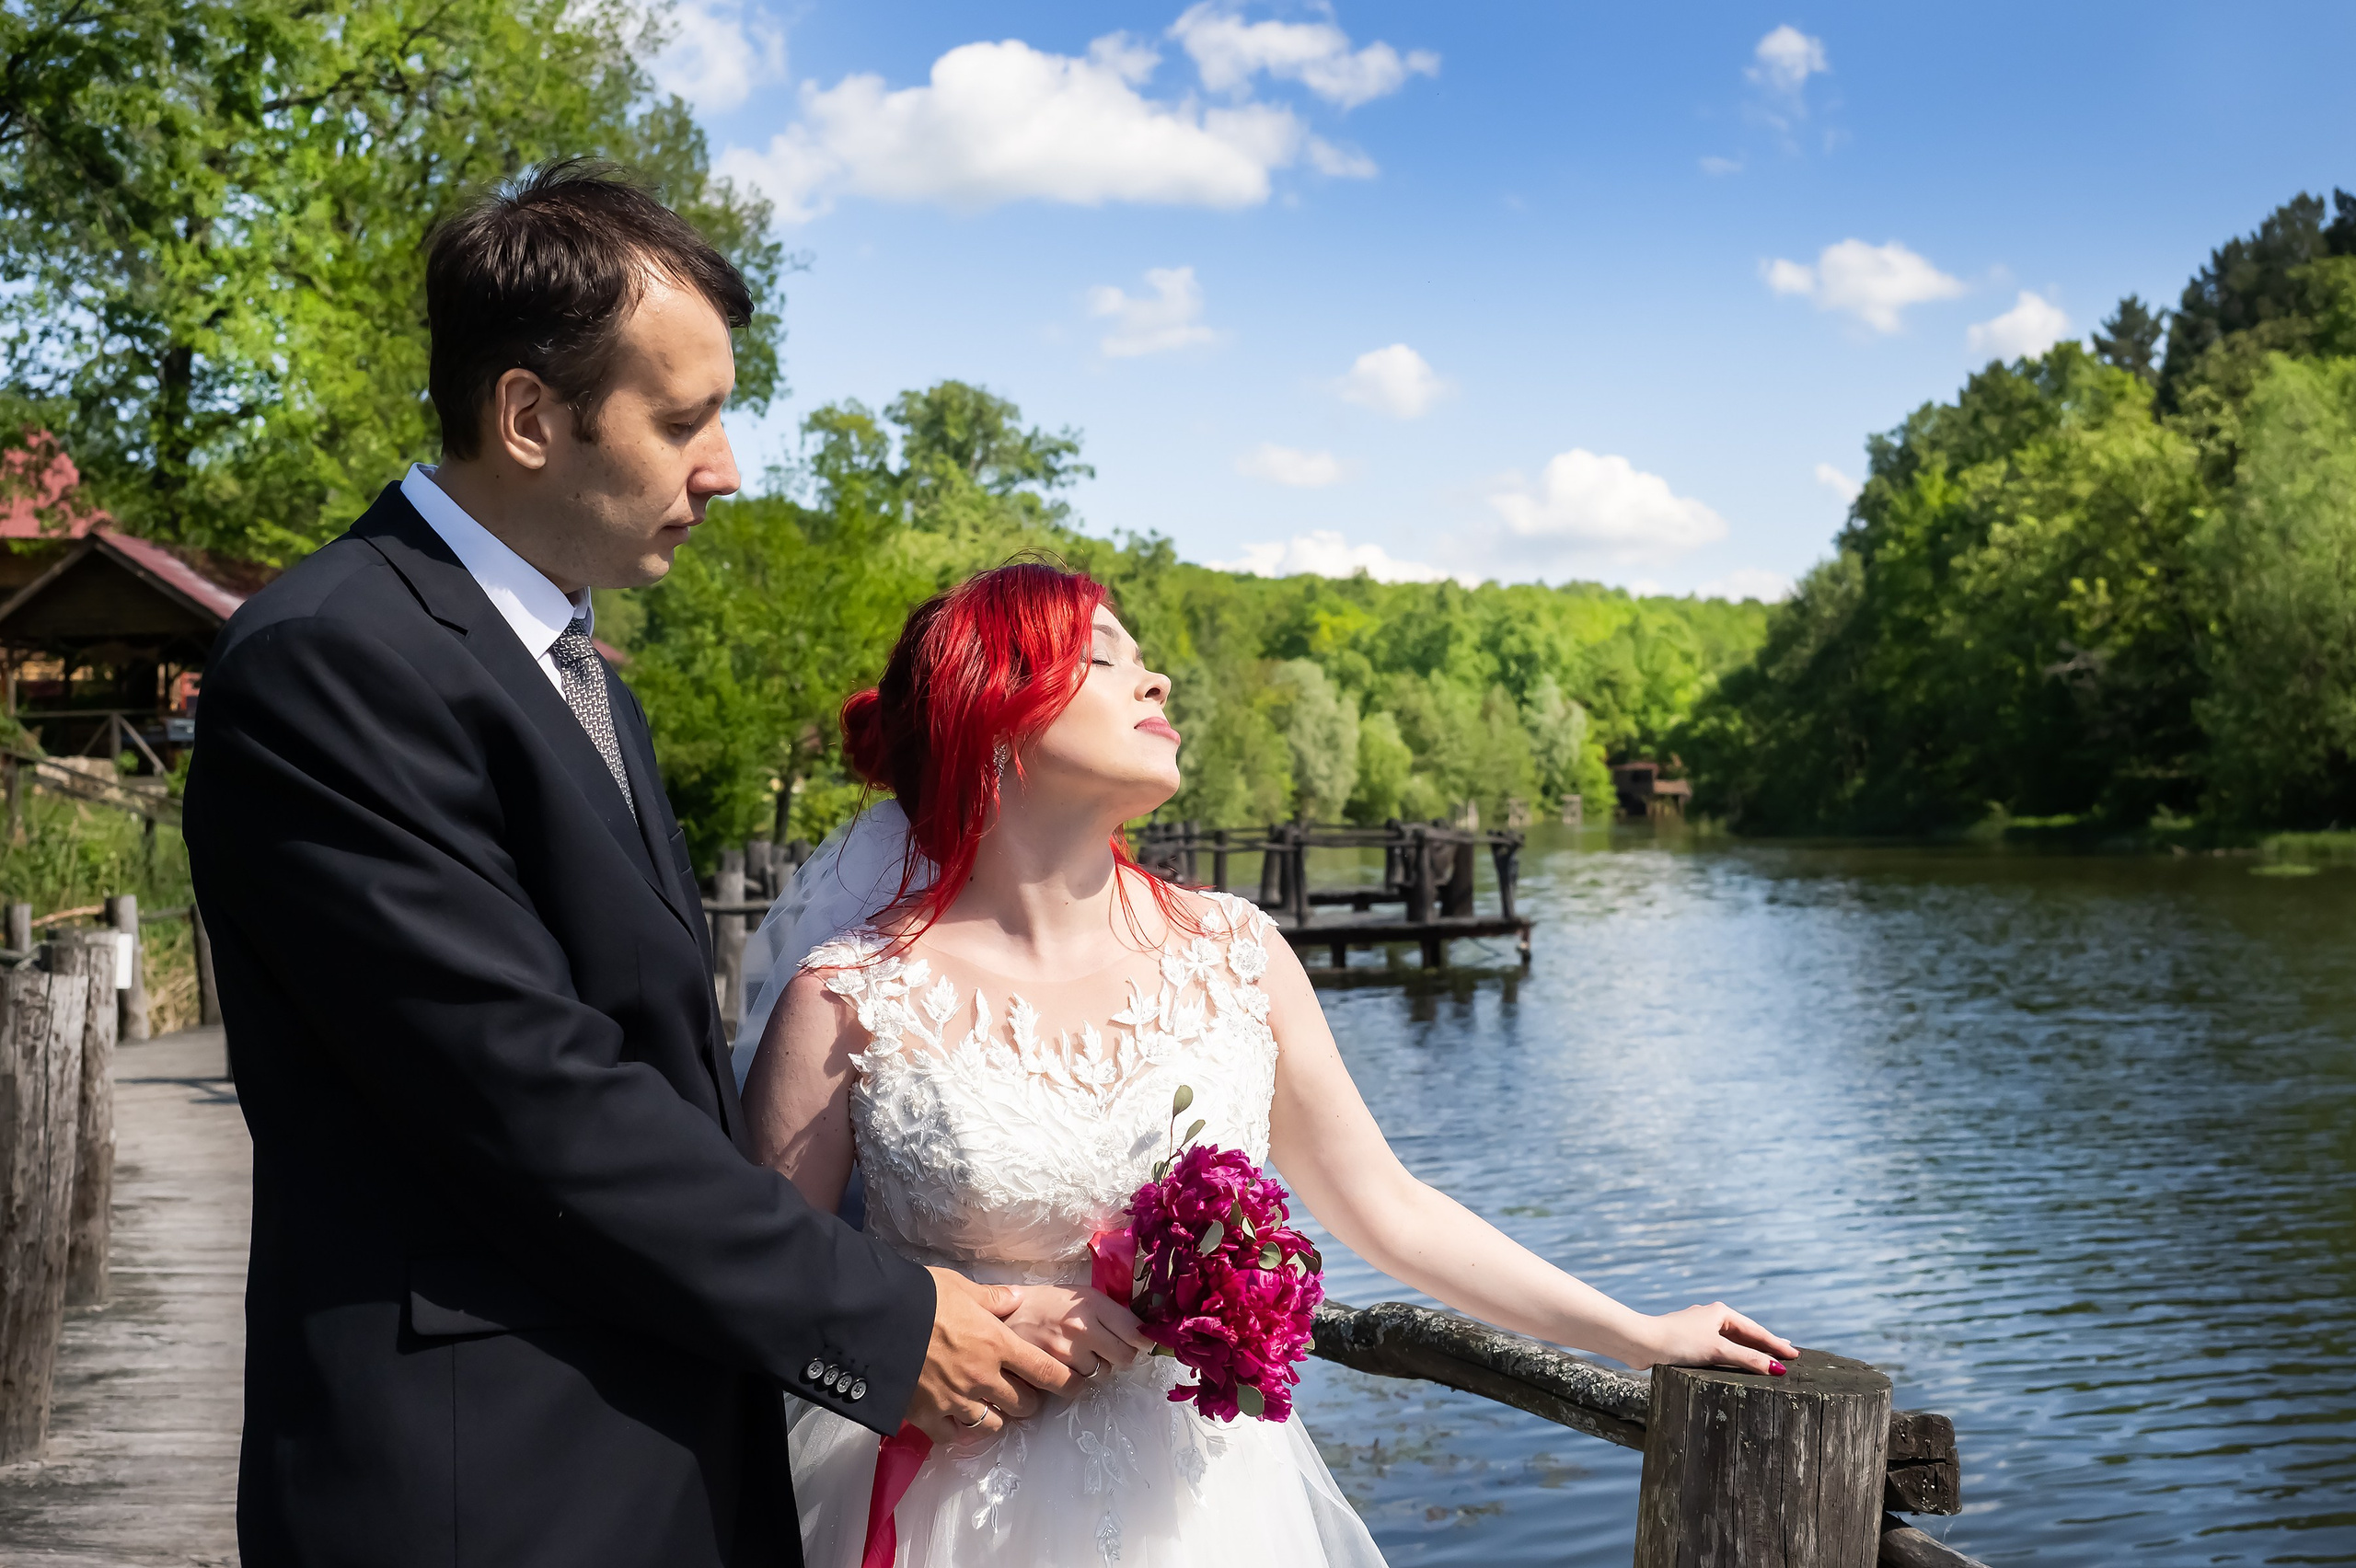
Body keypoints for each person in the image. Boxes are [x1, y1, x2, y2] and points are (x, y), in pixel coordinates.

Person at [182, 161, 1066, 1568]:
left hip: (642, 1443)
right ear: (530, 417)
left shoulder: (571, 666)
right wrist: (884, 1323)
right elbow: (532, 1096)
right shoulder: (336, 661)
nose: (726, 468)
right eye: (683, 420)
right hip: (487, 1480)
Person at [745, 564, 1796, 1567]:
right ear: (998, 709)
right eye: (1106, 659)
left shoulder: (1235, 955)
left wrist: (1638, 1334)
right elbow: (760, 1286)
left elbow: (1388, 1208)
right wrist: (952, 1307)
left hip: (1213, 1509)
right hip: (954, 1508)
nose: (1156, 679)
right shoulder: (847, 998)